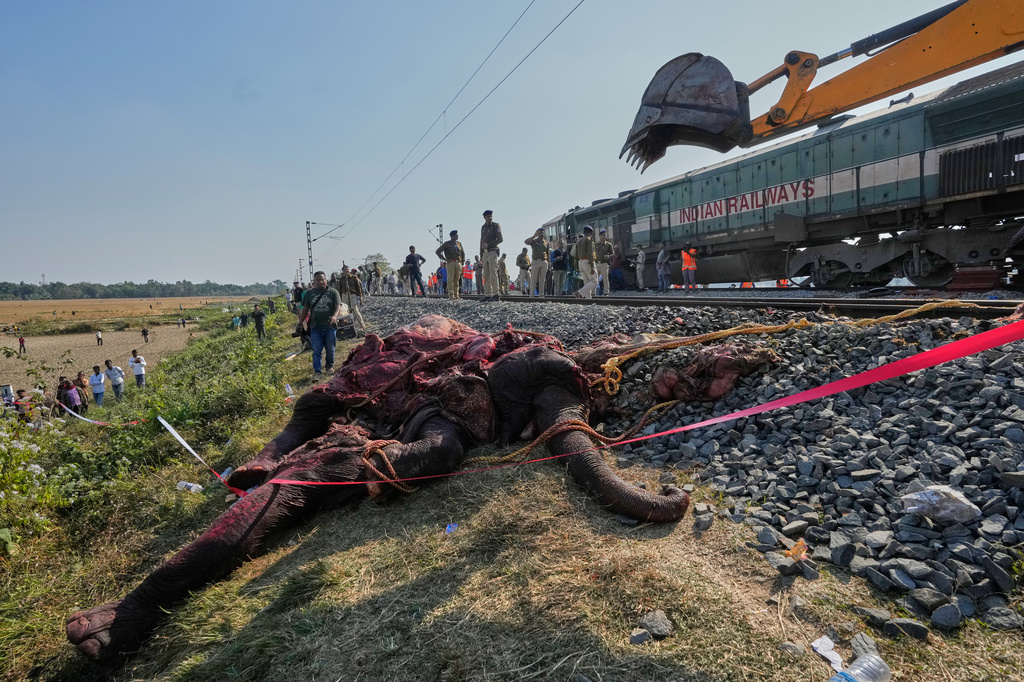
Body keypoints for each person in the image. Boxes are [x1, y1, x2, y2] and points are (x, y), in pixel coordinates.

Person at [299, 270, 343, 380]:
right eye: (318, 280)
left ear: (326, 281)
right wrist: (300, 322)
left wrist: (334, 317)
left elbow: (338, 306)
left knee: (330, 348)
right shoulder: (309, 293)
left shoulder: (333, 292)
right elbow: (305, 309)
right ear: (314, 282)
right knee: (316, 350)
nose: (320, 282)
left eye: (322, 280)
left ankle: (329, 367)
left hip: (329, 326)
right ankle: (317, 372)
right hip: (315, 327)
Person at [435, 229, 465, 299]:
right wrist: (444, 259)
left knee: (457, 279)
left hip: (458, 263)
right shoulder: (447, 244)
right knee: (450, 279)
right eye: (455, 235)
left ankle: (456, 294)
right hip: (451, 262)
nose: (457, 236)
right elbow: (438, 251)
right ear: (452, 236)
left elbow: (463, 253)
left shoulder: (459, 244)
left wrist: (462, 262)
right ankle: (451, 295)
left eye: (457, 235)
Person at [479, 209, 503, 298]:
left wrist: (488, 244)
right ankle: (488, 294)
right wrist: (481, 254)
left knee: (493, 273)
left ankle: (496, 293)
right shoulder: (483, 227)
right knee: (486, 274)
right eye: (488, 216)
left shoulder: (495, 226)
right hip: (485, 253)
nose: (490, 218)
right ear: (484, 217)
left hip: (493, 251)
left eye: (491, 216)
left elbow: (500, 239)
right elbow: (481, 241)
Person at [337, 265, 366, 332]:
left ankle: (361, 325)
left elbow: (359, 288)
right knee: (346, 312)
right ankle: (347, 325)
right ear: (343, 271)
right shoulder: (341, 279)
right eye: (345, 270)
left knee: (355, 309)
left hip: (352, 294)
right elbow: (339, 290)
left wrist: (360, 297)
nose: (346, 271)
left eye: (347, 269)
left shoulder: (353, 277)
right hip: (344, 295)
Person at [575, 225, 598, 299]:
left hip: (580, 262)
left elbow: (576, 255)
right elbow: (590, 254)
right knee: (594, 281)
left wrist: (577, 266)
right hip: (587, 262)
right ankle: (580, 292)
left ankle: (588, 299)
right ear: (590, 233)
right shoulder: (589, 240)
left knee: (587, 282)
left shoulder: (579, 242)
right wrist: (592, 266)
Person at [525, 228, 549, 298]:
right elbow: (526, 242)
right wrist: (534, 236)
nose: (541, 234)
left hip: (543, 262)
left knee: (542, 280)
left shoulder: (546, 243)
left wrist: (549, 264)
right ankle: (532, 295)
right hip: (535, 261)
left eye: (542, 232)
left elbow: (547, 254)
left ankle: (541, 295)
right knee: (534, 280)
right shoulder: (534, 241)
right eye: (540, 232)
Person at [594, 229, 613, 296]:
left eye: (604, 235)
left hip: (604, 264)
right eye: (601, 235)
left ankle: (606, 292)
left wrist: (608, 256)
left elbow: (612, 254)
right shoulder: (596, 244)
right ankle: (593, 292)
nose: (603, 237)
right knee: (595, 279)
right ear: (599, 236)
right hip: (596, 263)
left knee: (605, 279)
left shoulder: (608, 245)